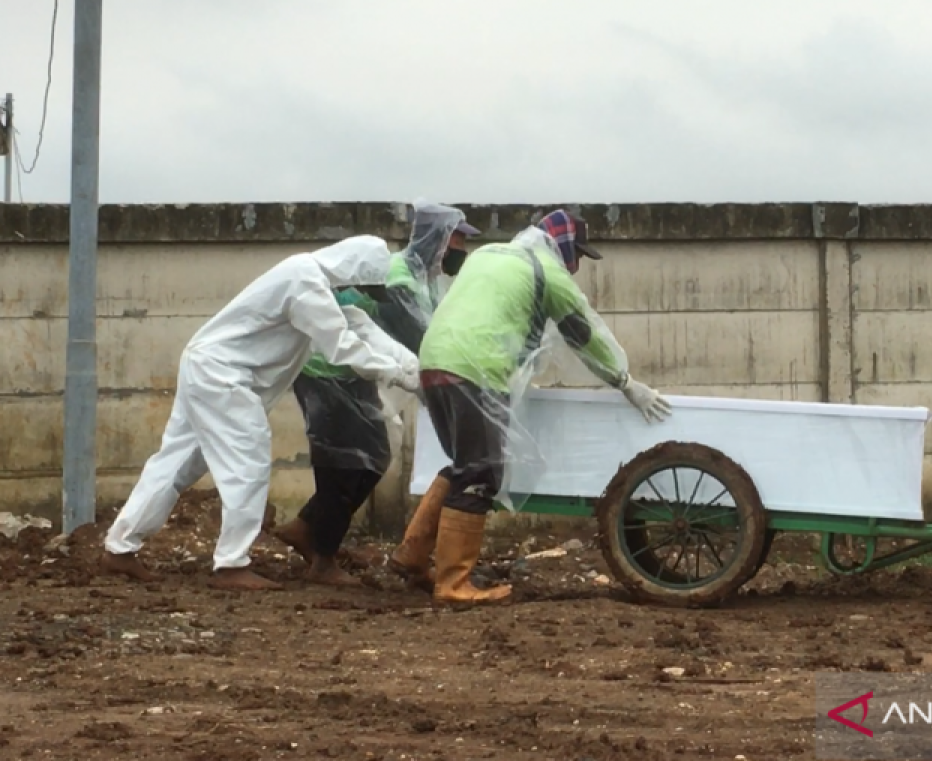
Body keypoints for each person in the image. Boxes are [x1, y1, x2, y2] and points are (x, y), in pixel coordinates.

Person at [101, 236, 422, 591]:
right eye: (361, 285)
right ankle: (231, 564)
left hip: (208, 366)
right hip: (222, 374)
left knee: (177, 462)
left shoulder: (316, 286)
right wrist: (396, 375)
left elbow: (361, 328)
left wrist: (415, 370)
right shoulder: (305, 282)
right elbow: (341, 347)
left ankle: (120, 548)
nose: (358, 293)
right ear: (353, 271)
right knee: (247, 462)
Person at [402, 209, 672, 605]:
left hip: (434, 362)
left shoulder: (490, 254)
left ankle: (411, 555)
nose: (576, 263)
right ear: (562, 247)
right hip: (475, 369)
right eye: (576, 253)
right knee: (481, 473)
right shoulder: (548, 272)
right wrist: (625, 382)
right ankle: (453, 583)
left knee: (463, 463)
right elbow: (584, 335)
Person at [274, 202, 479, 586]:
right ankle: (323, 558)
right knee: (344, 463)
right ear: (437, 237)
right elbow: (419, 335)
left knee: (370, 456)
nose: (461, 249)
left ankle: (309, 530)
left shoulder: (424, 276)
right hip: (327, 372)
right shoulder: (396, 275)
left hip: (358, 371)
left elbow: (379, 329)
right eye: (458, 238)